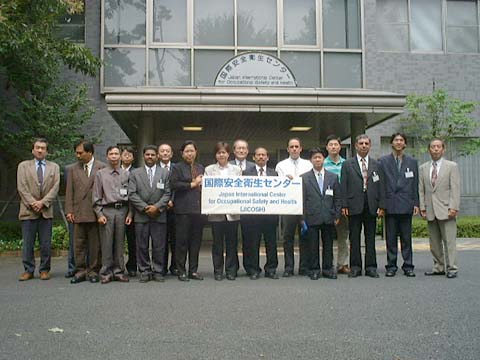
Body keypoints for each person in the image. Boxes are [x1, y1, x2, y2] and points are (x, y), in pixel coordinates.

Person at [340, 134, 385, 278]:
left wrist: (381, 206)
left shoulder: (377, 164)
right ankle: (355, 267)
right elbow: (343, 186)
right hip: (354, 205)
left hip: (372, 205)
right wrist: (344, 204)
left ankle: (371, 267)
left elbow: (381, 187)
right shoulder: (347, 164)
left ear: (370, 146)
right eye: (361, 143)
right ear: (356, 146)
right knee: (354, 238)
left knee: (370, 238)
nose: (364, 145)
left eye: (366, 143)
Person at [17, 138, 60, 281]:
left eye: (43, 148)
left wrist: (42, 203)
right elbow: (21, 187)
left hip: (46, 211)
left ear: (47, 151)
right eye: (37, 147)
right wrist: (33, 203)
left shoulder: (54, 167)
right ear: (33, 150)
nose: (40, 150)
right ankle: (28, 270)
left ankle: (44, 270)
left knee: (46, 244)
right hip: (28, 211)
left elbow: (55, 188)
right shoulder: (23, 166)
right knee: (28, 243)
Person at [129, 145, 171, 283]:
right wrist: (146, 207)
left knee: (159, 245)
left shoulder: (164, 173)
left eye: (153, 155)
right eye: (147, 155)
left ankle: (158, 270)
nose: (150, 157)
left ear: (157, 156)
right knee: (142, 245)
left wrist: (157, 207)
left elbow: (167, 193)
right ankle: (145, 270)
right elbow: (132, 193)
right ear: (143, 156)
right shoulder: (135, 173)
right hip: (142, 215)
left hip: (159, 214)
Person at [419, 139, 460, 279]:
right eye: (432, 147)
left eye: (438, 147)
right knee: (434, 242)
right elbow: (421, 190)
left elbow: (455, 188)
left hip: (446, 209)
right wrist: (422, 207)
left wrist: (453, 207)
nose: (435, 149)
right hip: (430, 209)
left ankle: (452, 267)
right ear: (429, 150)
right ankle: (438, 267)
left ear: (443, 149)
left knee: (449, 241)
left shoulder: (451, 166)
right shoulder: (423, 167)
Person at [379, 133, 419, 277]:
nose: (399, 142)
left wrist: (416, 203)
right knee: (390, 238)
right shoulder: (382, 161)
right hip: (390, 204)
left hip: (406, 204)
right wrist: (381, 205)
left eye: (401, 140)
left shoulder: (412, 162)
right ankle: (391, 266)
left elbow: (415, 184)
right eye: (396, 140)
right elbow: (381, 185)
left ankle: (408, 266)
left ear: (405, 144)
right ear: (391, 143)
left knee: (406, 238)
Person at [65, 140, 105, 284]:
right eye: (76, 152)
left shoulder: (102, 167)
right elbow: (69, 191)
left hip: (95, 212)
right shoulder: (73, 169)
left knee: (95, 244)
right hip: (78, 211)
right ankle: (80, 270)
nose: (78, 155)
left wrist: (102, 212)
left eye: (80, 152)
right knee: (78, 244)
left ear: (90, 152)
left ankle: (94, 270)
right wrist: (69, 210)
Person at [93, 146, 132, 284]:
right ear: (107, 156)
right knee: (106, 242)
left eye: (117, 154)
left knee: (120, 243)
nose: (114, 156)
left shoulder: (126, 174)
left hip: (122, 210)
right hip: (107, 211)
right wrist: (99, 214)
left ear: (120, 156)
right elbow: (96, 196)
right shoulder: (101, 174)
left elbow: (131, 195)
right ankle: (105, 272)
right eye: (111, 154)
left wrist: (130, 213)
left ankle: (119, 271)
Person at [301, 147, 341, 280]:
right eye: (314, 158)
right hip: (311, 216)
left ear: (324, 159)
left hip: (329, 216)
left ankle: (328, 269)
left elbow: (337, 198)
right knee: (312, 245)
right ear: (310, 160)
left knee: (328, 245)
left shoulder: (333, 177)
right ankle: (314, 269)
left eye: (319, 157)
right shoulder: (304, 178)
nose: (317, 160)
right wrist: (303, 217)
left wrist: (337, 214)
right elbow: (302, 199)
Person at [275, 138, 312, 277]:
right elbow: (277, 185)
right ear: (288, 149)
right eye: (292, 147)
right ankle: (288, 267)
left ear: (301, 148)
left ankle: (303, 267)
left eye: (297, 146)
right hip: (288, 206)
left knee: (305, 237)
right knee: (287, 237)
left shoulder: (308, 164)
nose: (294, 149)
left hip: (304, 206)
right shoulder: (281, 165)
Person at [205, 142, 242, 281]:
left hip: (232, 213)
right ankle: (218, 271)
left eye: (224, 152)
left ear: (228, 154)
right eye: (219, 152)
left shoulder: (236, 170)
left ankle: (231, 270)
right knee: (217, 244)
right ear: (215, 155)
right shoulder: (209, 170)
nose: (222, 155)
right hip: (216, 213)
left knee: (232, 243)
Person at [242, 147, 280, 280]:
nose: (261, 157)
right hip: (253, 216)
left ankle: (271, 269)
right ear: (254, 158)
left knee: (271, 243)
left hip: (270, 216)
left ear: (268, 157)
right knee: (253, 243)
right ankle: (253, 270)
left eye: (263, 155)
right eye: (258, 155)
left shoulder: (274, 174)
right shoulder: (246, 173)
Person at [169, 141, 205, 281]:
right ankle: (181, 270)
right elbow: (174, 184)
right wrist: (192, 184)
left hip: (198, 210)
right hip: (182, 210)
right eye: (187, 151)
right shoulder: (177, 167)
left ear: (196, 152)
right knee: (182, 242)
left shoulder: (200, 167)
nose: (190, 154)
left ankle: (193, 270)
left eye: (192, 151)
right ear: (182, 153)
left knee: (195, 242)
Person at [323, 134, 350, 274]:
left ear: (340, 147)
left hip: (342, 204)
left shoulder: (347, 164)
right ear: (327, 147)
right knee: (325, 235)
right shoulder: (321, 163)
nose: (333, 147)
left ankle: (342, 264)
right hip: (326, 204)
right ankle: (326, 264)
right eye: (331, 145)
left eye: (336, 144)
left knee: (343, 235)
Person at [158, 143, 177, 275]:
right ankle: (161, 267)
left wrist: (172, 200)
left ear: (171, 154)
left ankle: (175, 266)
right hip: (159, 210)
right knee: (161, 240)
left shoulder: (177, 168)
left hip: (175, 209)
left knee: (176, 240)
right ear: (159, 154)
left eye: (167, 151)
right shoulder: (154, 168)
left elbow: (177, 186)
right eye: (162, 151)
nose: (165, 153)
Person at [121, 146, 137, 277]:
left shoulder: (136, 172)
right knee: (117, 241)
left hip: (132, 210)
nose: (127, 156)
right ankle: (117, 266)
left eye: (129, 155)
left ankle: (132, 266)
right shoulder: (113, 170)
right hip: (116, 209)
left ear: (133, 158)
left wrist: (131, 213)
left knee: (132, 241)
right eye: (125, 154)